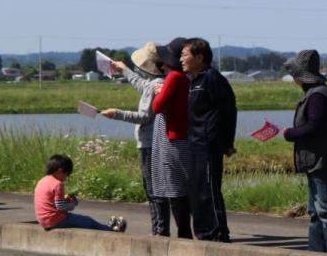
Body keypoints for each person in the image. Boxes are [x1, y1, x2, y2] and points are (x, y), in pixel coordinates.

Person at [282, 49, 327, 254]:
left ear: (301, 75)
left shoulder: (318, 94)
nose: (293, 77)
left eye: (294, 73)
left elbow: (313, 126)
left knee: (326, 212)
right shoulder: (316, 92)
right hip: (318, 161)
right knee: (316, 212)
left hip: (324, 161)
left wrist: (290, 133)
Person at [101, 43, 170, 236]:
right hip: (154, 142)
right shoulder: (156, 82)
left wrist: (117, 113)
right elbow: (141, 85)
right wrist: (124, 70)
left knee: (153, 189)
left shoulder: (155, 85)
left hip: (149, 143)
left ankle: (159, 231)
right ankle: (159, 230)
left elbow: (144, 117)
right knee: (154, 189)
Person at [181, 38, 237, 242]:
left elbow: (229, 111)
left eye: (185, 55)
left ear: (199, 57)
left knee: (208, 190)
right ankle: (203, 233)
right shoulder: (193, 80)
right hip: (193, 143)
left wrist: (227, 142)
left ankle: (218, 233)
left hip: (208, 143)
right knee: (195, 191)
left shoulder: (213, 79)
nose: (181, 59)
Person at [150, 43, 193, 239]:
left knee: (175, 188)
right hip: (182, 136)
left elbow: (157, 106)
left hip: (173, 139)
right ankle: (186, 232)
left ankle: (184, 234)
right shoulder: (187, 77)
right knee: (181, 186)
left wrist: (159, 92)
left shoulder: (174, 77)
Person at [33, 154, 127, 231]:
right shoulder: (57, 184)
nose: (66, 178)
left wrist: (65, 199)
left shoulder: (42, 180)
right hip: (55, 220)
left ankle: (106, 227)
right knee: (86, 221)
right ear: (60, 171)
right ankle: (110, 229)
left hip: (43, 220)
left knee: (83, 220)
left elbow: (50, 201)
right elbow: (60, 207)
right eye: (66, 175)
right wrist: (72, 204)